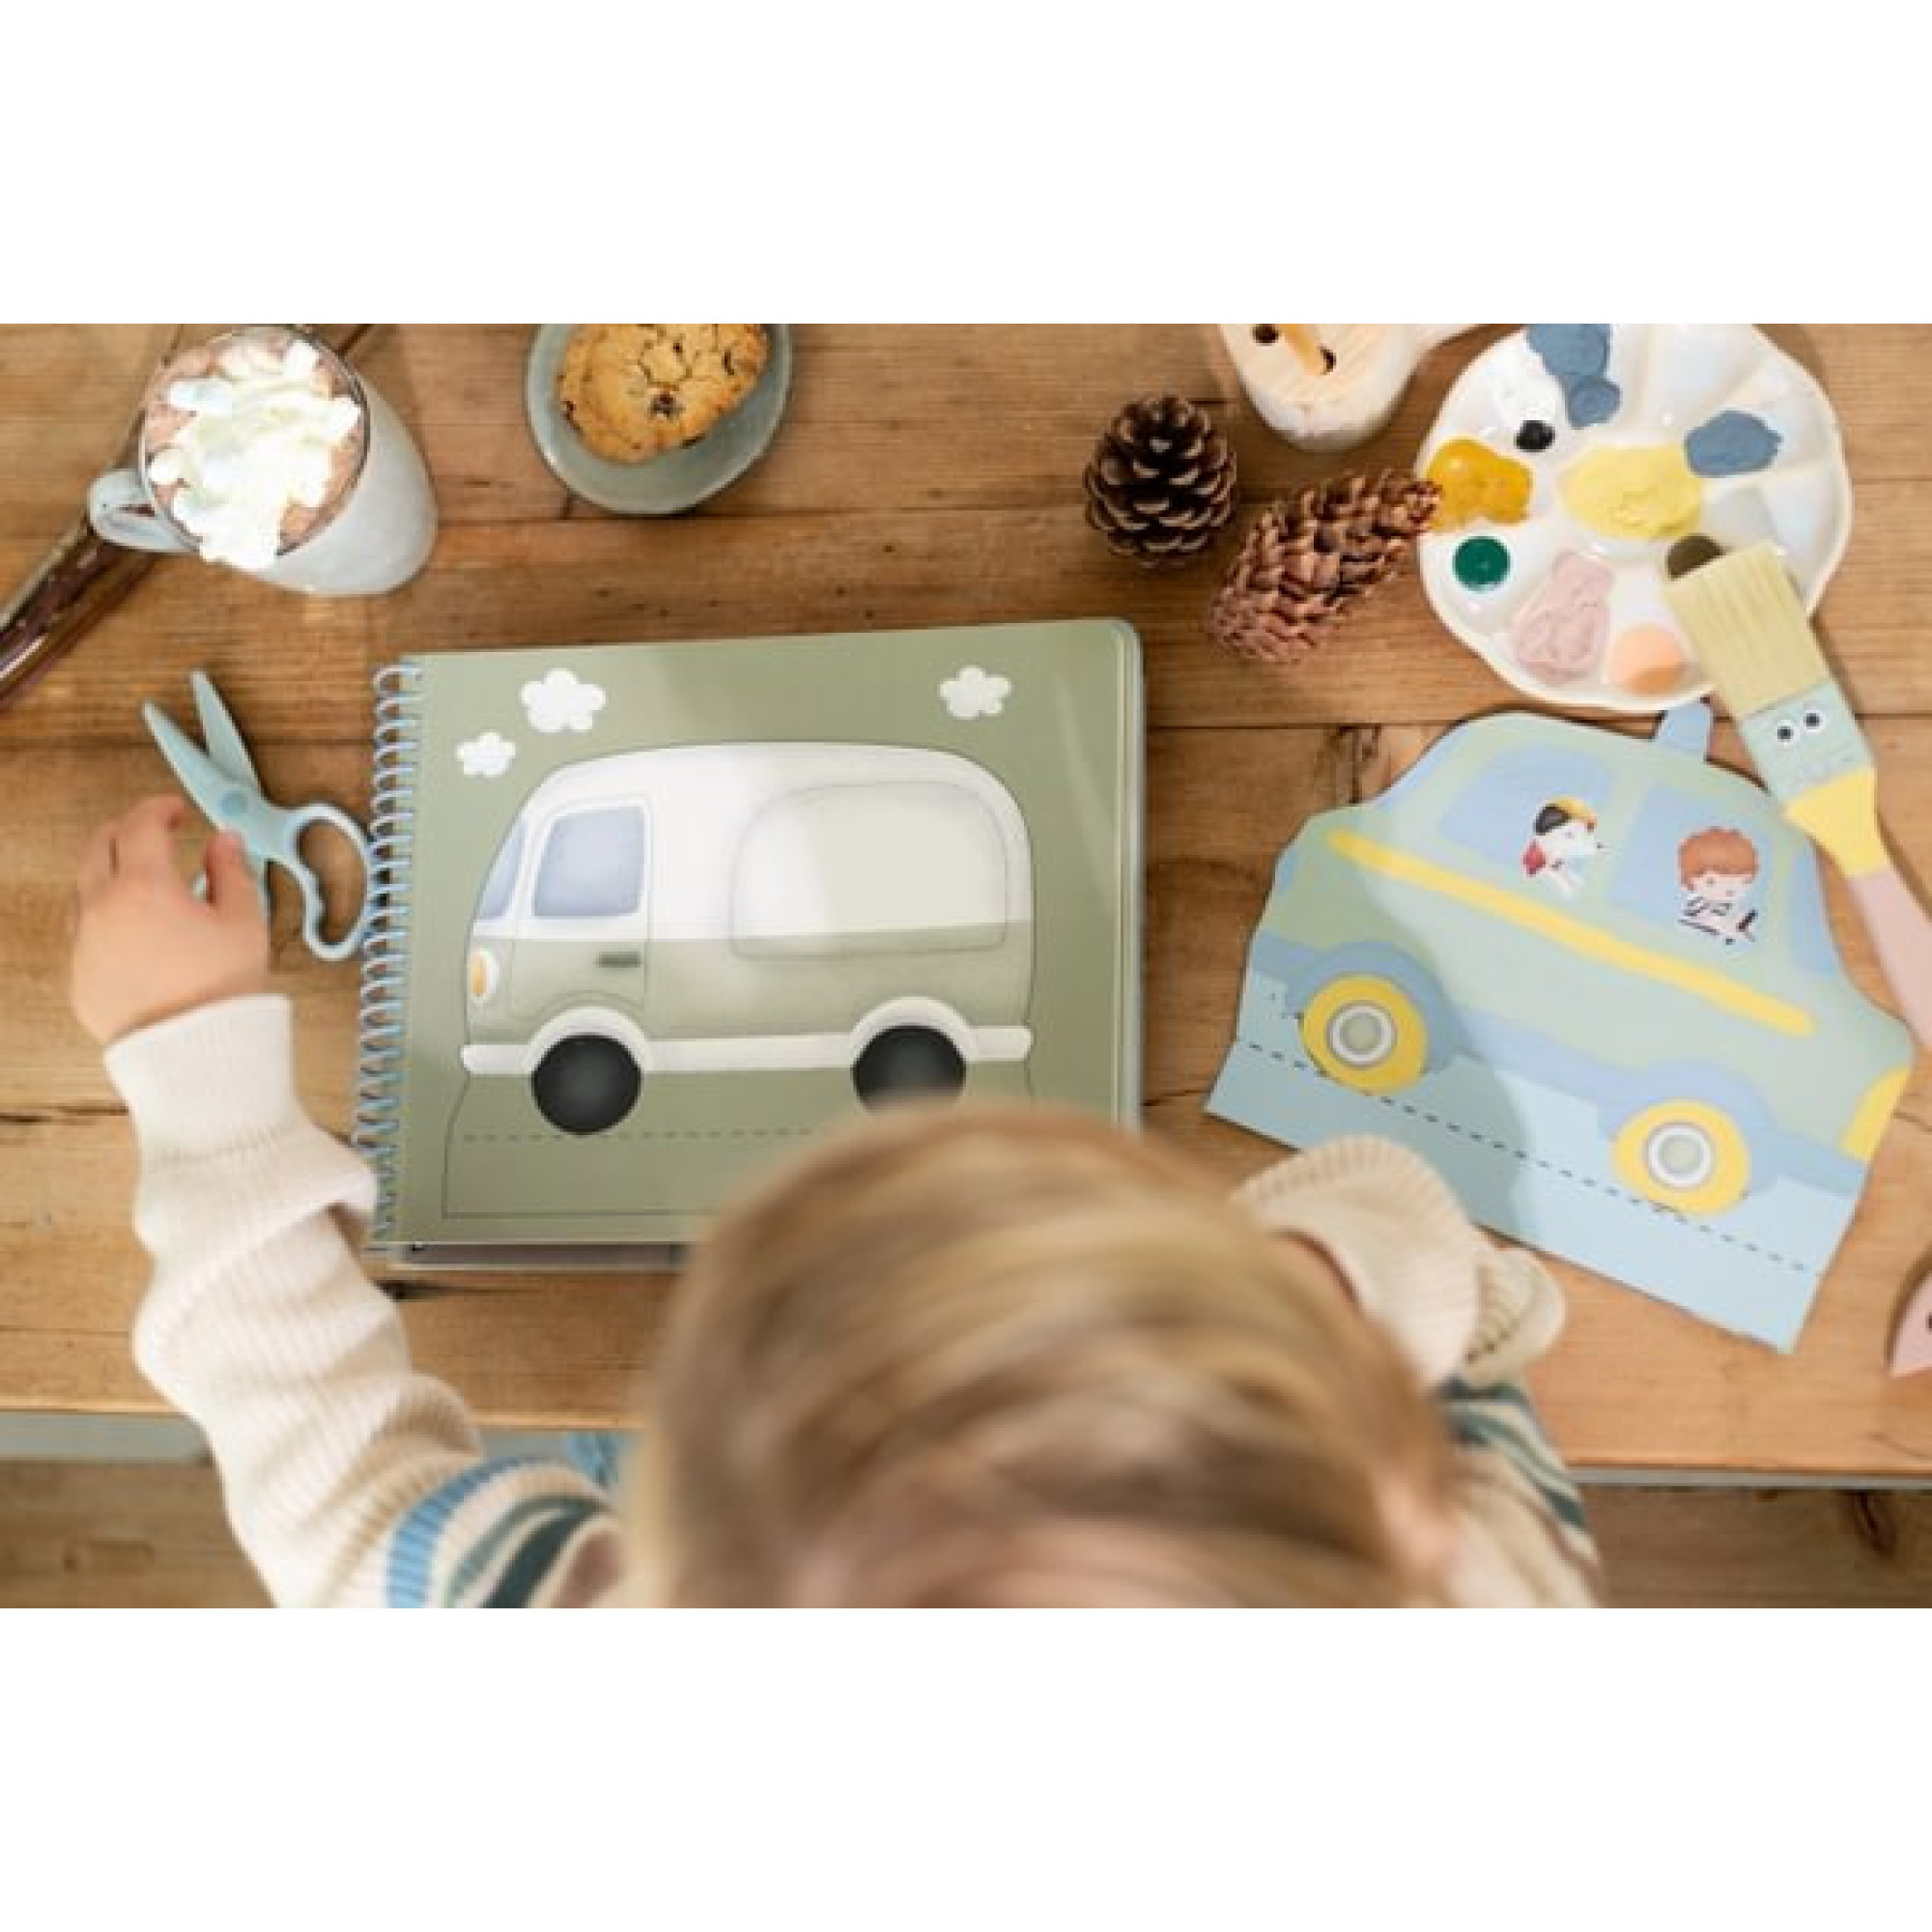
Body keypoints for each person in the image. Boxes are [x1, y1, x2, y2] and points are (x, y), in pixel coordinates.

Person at [71, 795, 1601, 1607]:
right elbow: (1445, 1270)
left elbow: (328, 1487)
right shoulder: (1481, 1589)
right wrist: (1329, 1287)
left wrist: (191, 1061)